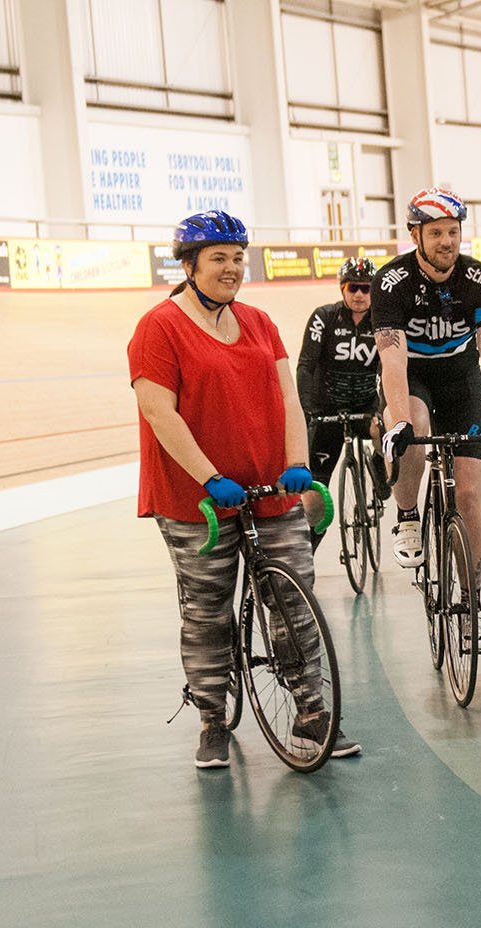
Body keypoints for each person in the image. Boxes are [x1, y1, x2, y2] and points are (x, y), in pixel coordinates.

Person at [128, 210, 360, 768]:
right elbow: (159, 412)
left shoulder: (258, 322)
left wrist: (299, 463)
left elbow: (288, 400)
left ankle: (310, 712)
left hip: (268, 487)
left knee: (293, 600)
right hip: (197, 501)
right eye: (218, 259)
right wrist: (209, 476)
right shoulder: (158, 327)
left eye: (238, 258)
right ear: (188, 266)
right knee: (208, 609)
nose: (232, 269)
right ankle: (211, 716)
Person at [372, 187, 481, 653]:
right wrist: (396, 422)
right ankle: (408, 515)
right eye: (435, 232)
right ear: (415, 234)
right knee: (413, 424)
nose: (445, 241)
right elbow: (392, 362)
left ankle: (472, 603)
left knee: (470, 492)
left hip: (459, 381)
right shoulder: (391, 282)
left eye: (452, 232)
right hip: (412, 377)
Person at [296, 256, 391, 551]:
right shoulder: (324, 317)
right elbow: (305, 365)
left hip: (367, 407)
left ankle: (378, 462)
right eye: (353, 287)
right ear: (342, 289)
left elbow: (393, 369)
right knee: (314, 496)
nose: (360, 294)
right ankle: (306, 555)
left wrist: (382, 410)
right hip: (327, 412)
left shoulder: (383, 320)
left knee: (382, 430)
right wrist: (306, 411)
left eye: (366, 288)